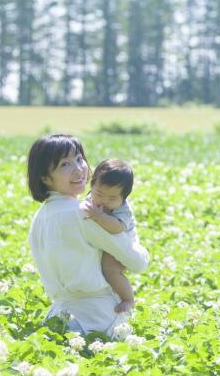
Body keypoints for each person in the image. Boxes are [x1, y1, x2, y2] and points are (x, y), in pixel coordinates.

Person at [26, 134, 149, 336]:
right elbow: (137, 262)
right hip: (98, 319)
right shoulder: (85, 213)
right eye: (65, 164)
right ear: (45, 177)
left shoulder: (39, 218)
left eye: (79, 159)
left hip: (58, 317)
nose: (78, 169)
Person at [82, 158, 139, 314]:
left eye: (112, 198)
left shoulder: (123, 210)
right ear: (92, 185)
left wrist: (99, 217)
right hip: (103, 239)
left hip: (124, 241)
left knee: (110, 270)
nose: (103, 201)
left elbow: (117, 228)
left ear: (123, 198)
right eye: (99, 193)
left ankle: (128, 299)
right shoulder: (91, 199)